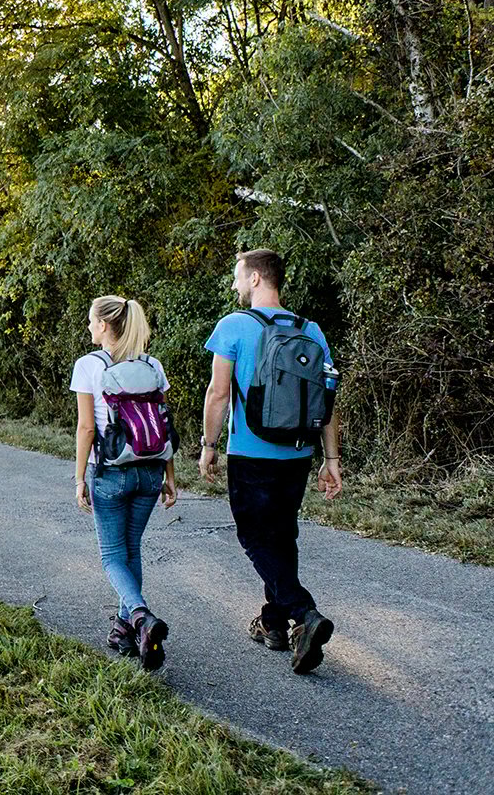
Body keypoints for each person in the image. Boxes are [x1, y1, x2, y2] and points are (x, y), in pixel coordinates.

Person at [199, 248, 344, 674]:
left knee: (255, 538)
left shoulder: (234, 326)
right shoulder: (310, 330)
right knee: (281, 536)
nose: (234, 284)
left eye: (238, 276)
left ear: (256, 278)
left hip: (251, 452)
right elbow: (328, 401)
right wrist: (331, 458)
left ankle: (304, 613)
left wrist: (209, 444)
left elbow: (218, 393)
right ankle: (274, 623)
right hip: (297, 453)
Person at [72, 294, 178, 671]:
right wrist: (169, 476)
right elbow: (163, 423)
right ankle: (126, 630)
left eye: (91, 320)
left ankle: (140, 617)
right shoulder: (152, 365)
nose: (89, 326)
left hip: (110, 472)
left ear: (104, 325)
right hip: (150, 471)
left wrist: (79, 477)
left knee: (112, 556)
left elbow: (87, 428)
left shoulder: (89, 365)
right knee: (132, 550)